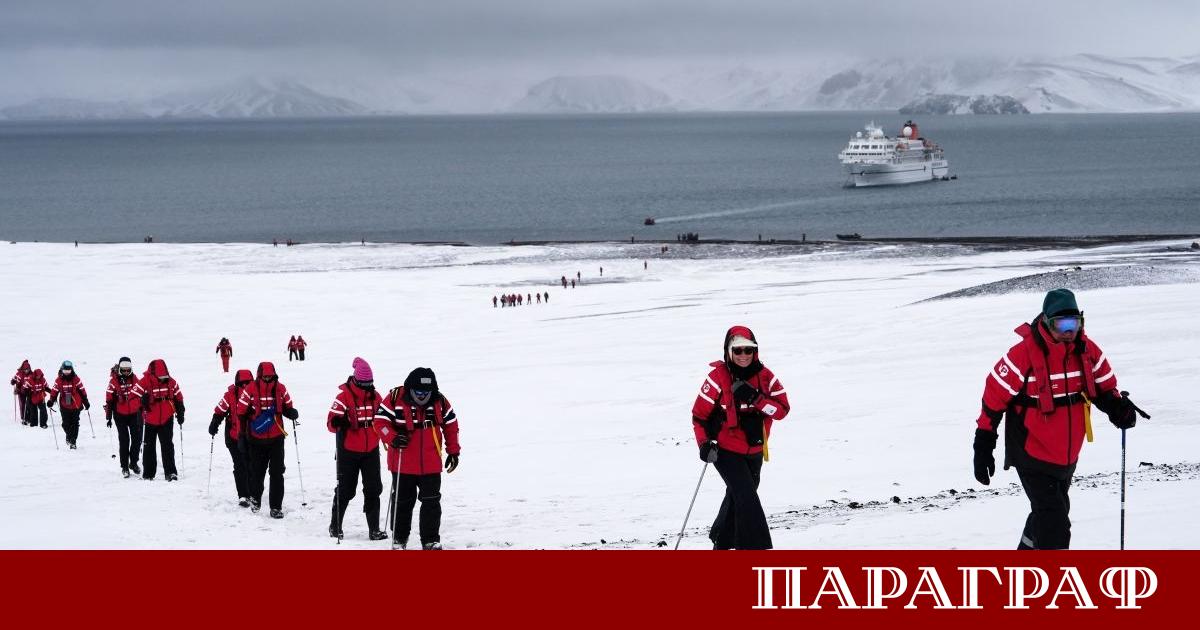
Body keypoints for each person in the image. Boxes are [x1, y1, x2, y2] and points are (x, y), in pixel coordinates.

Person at [973, 288, 1139, 550]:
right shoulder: (1022, 354)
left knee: (1048, 514)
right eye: (1060, 324)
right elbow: (993, 397)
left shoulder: (1087, 351)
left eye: (1074, 323)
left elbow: (1104, 386)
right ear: (1047, 322)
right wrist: (983, 445)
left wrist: (1118, 408)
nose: (1068, 331)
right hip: (1030, 452)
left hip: (1066, 454)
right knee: (1056, 525)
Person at [689, 326, 790, 550]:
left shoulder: (766, 378)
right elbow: (699, 416)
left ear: (756, 351)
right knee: (746, 496)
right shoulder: (717, 378)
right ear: (728, 352)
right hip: (724, 450)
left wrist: (756, 399)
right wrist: (704, 444)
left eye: (748, 350)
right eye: (738, 351)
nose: (743, 356)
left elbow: (782, 411)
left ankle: (721, 543)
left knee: (738, 495)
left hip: (755, 450)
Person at [374, 367, 461, 550]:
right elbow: (380, 423)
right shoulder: (395, 397)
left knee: (431, 502)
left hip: (431, 462)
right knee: (402, 502)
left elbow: (451, 425)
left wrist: (453, 451)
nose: (422, 396)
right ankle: (399, 539)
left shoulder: (440, 401)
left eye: (426, 392)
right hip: (402, 462)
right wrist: (392, 437)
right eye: (418, 392)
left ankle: (430, 540)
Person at [327, 358, 387, 540]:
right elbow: (330, 423)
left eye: (370, 383)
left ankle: (374, 530)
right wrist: (339, 422)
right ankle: (335, 526)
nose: (368, 387)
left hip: (371, 451)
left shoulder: (376, 397)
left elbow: (383, 423)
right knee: (346, 489)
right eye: (365, 384)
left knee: (373, 488)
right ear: (356, 381)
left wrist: (389, 436)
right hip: (348, 451)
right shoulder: (343, 397)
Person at [236, 361, 299, 518]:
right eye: (265, 377)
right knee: (257, 473)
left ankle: (276, 507)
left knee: (277, 473)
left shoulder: (281, 388)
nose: (269, 380)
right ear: (259, 376)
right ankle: (255, 499)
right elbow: (241, 413)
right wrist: (242, 436)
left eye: (271, 377)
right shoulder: (250, 389)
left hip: (277, 438)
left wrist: (291, 412)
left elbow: (286, 406)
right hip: (256, 440)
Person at [134, 359, 185, 481]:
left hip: (167, 418)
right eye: (160, 376)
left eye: (164, 376)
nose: (163, 378)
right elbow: (132, 397)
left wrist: (180, 412)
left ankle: (171, 472)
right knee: (148, 447)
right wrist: (141, 400)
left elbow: (178, 397)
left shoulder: (171, 382)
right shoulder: (144, 381)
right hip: (149, 419)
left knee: (167, 445)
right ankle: (148, 474)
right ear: (154, 374)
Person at [210, 369, 253, 506]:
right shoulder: (230, 395)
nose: (245, 386)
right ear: (236, 383)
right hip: (233, 436)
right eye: (242, 383)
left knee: (251, 464)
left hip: (252, 436)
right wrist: (214, 423)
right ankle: (243, 495)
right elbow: (220, 410)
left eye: (248, 382)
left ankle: (252, 492)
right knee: (240, 464)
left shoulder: (256, 392)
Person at [106, 357, 143, 477]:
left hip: (134, 414)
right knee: (124, 440)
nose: (127, 372)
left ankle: (133, 463)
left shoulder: (135, 379)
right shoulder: (113, 381)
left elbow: (141, 393)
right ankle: (125, 467)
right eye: (124, 370)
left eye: (128, 370)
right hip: (119, 414)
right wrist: (109, 417)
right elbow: (109, 400)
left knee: (137, 439)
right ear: (120, 369)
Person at [47, 360, 90, 449]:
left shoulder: (76, 379)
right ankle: (69, 436)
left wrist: (85, 401)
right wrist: (51, 400)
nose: (67, 373)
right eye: (65, 371)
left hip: (76, 404)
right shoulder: (58, 380)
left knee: (75, 423)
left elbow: (82, 390)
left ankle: (73, 441)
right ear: (62, 370)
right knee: (65, 424)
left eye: (69, 371)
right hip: (64, 405)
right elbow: (54, 391)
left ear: (72, 370)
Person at [10, 360, 33, 424]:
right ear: (23, 369)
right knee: (22, 404)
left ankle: (29, 417)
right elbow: (14, 379)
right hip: (20, 391)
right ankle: (23, 417)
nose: (27, 370)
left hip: (28, 392)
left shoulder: (32, 374)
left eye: (28, 369)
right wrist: (13, 381)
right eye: (25, 369)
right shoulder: (19, 373)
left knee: (29, 405)